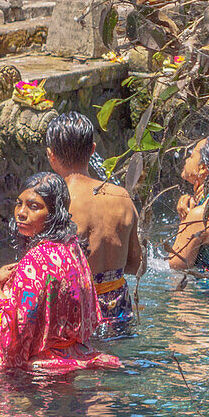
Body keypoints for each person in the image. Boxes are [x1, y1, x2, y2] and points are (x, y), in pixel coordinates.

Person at [0, 173, 120, 373]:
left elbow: (12, 340)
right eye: (19, 203)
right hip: (76, 359)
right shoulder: (72, 248)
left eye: (34, 206)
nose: (21, 213)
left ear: (54, 214)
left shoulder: (34, 262)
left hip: (40, 376)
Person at [45, 111, 143, 334]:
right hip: (121, 310)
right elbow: (137, 266)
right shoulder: (122, 197)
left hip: (78, 312)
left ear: (51, 155)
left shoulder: (55, 203)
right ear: (92, 149)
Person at [170, 135, 209, 273]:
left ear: (203, 168)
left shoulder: (200, 215)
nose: (186, 159)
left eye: (191, 156)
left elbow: (176, 264)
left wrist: (185, 221)